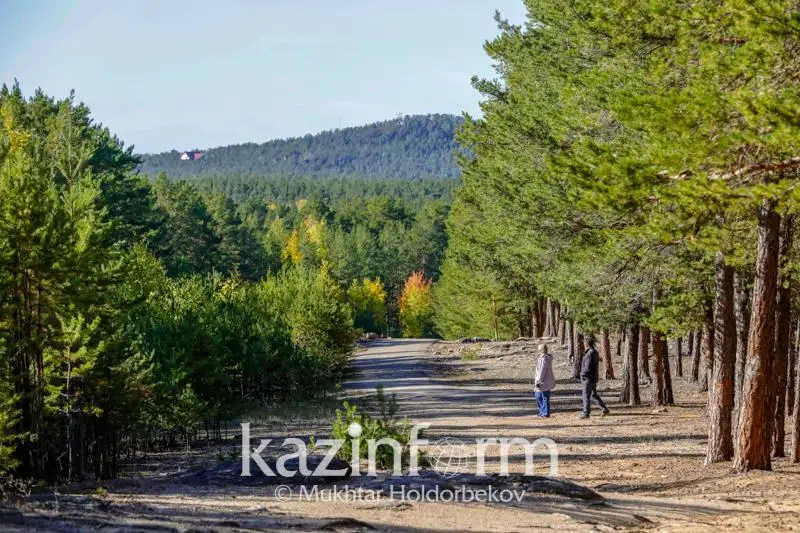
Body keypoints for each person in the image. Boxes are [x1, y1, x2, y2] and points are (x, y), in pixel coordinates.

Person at [579, 337, 610, 418]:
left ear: (587, 343)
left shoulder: (590, 353)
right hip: (593, 377)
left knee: (586, 396)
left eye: (584, 342)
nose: (583, 344)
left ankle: (586, 413)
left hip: (588, 378)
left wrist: (582, 374)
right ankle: (604, 409)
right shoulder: (594, 352)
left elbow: (588, 367)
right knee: (593, 395)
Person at [534, 343, 555, 417]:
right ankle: (542, 411)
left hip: (544, 381)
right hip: (544, 381)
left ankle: (545, 413)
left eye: (539, 349)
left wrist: (538, 381)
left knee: (544, 397)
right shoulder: (542, 358)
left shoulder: (544, 359)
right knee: (538, 395)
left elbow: (542, 371)